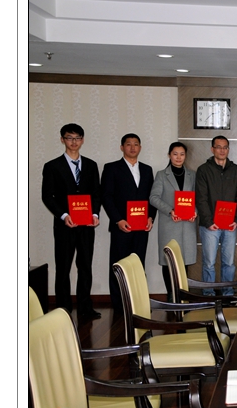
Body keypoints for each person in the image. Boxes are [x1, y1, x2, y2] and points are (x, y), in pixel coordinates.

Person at [41, 123, 102, 319]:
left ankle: (85, 308)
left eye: (77, 138)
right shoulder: (52, 166)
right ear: (62, 140)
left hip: (86, 225)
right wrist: (63, 215)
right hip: (64, 226)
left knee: (85, 267)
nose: (73, 142)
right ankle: (63, 309)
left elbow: (96, 193)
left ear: (82, 140)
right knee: (63, 267)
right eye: (69, 138)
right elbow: (47, 196)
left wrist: (95, 215)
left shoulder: (91, 165)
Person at [101, 133, 156, 313]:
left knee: (138, 265)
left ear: (140, 147)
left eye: (136, 144)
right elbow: (106, 197)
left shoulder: (147, 170)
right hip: (122, 226)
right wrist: (118, 219)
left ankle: (138, 302)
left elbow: (151, 197)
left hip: (141, 227)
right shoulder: (111, 168)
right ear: (122, 147)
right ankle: (119, 305)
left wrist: (151, 217)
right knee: (119, 265)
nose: (132, 147)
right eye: (128, 144)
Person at [195, 135, 237, 296]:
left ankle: (227, 293)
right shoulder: (203, 170)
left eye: (225, 147)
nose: (222, 150)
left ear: (228, 150)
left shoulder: (236, 170)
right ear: (212, 149)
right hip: (210, 225)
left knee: (229, 263)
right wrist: (208, 221)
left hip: (230, 225)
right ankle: (208, 294)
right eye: (218, 147)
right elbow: (201, 198)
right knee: (209, 262)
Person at [149, 141, 198, 301]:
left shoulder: (192, 175)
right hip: (170, 224)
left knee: (185, 262)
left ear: (186, 156)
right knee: (168, 261)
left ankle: (182, 296)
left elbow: (197, 198)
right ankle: (171, 296)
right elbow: (153, 198)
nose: (178, 157)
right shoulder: (162, 175)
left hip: (187, 225)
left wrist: (195, 212)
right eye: (175, 154)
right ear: (169, 155)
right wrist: (170, 210)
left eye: (182, 154)